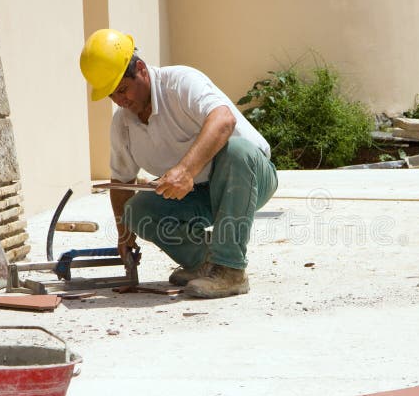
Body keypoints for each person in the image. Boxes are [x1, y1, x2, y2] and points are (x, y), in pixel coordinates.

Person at [79, 29, 277, 299]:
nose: (121, 101)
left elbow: (224, 120)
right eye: (113, 95)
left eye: (123, 90)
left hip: (248, 177)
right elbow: (121, 182)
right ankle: (206, 263)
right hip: (198, 193)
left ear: (141, 69)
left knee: (236, 150)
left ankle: (231, 271)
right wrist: (124, 235)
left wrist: (185, 171)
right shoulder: (122, 124)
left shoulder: (181, 83)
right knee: (137, 210)